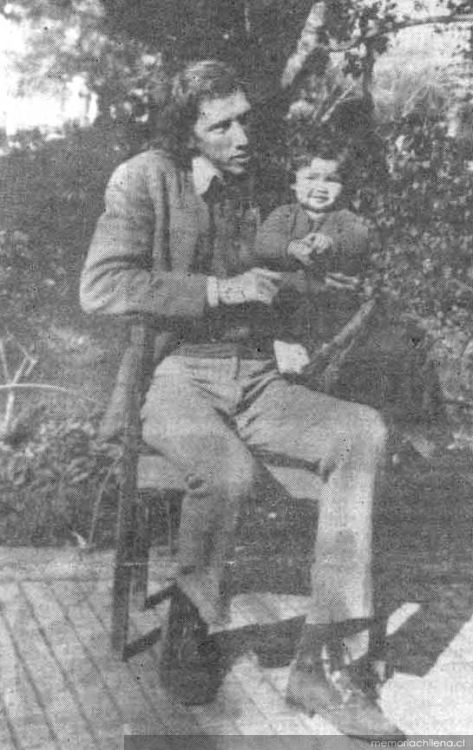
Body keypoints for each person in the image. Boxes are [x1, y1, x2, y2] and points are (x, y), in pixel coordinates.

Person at [80, 60, 403, 740]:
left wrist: (309, 297)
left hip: (255, 374)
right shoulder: (143, 178)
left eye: (244, 120)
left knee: (361, 431)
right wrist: (218, 291)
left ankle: (322, 661)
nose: (242, 136)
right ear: (185, 133)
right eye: (221, 126)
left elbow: (279, 274)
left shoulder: (254, 187)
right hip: (173, 377)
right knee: (224, 469)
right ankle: (192, 620)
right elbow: (103, 287)